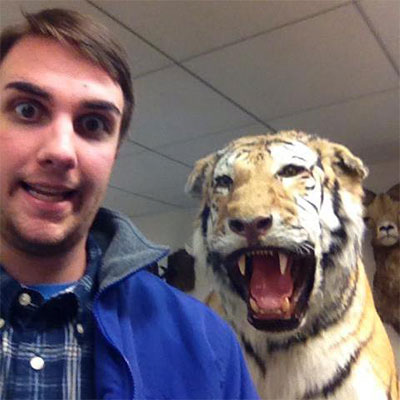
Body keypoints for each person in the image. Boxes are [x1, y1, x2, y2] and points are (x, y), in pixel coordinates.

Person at [0, 8, 258, 400]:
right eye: (27, 110)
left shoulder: (210, 347)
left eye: (92, 124)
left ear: (114, 153)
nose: (60, 150)